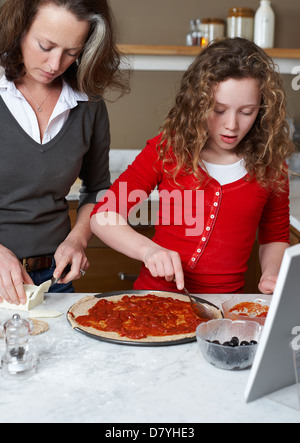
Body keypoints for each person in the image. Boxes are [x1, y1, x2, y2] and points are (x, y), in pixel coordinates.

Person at [90, 37, 294, 296]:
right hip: (157, 299)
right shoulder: (168, 150)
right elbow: (103, 217)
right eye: (218, 110)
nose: (231, 124)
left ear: (262, 109)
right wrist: (148, 250)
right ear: (199, 102)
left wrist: (271, 274)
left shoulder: (272, 164)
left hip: (225, 308)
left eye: (246, 111)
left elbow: (275, 236)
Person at [0, 0, 128, 305]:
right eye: (45, 46)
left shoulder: (89, 104)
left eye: (71, 52)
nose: (55, 64)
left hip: (53, 282)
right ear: (18, 29)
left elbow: (97, 189)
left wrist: (78, 240)